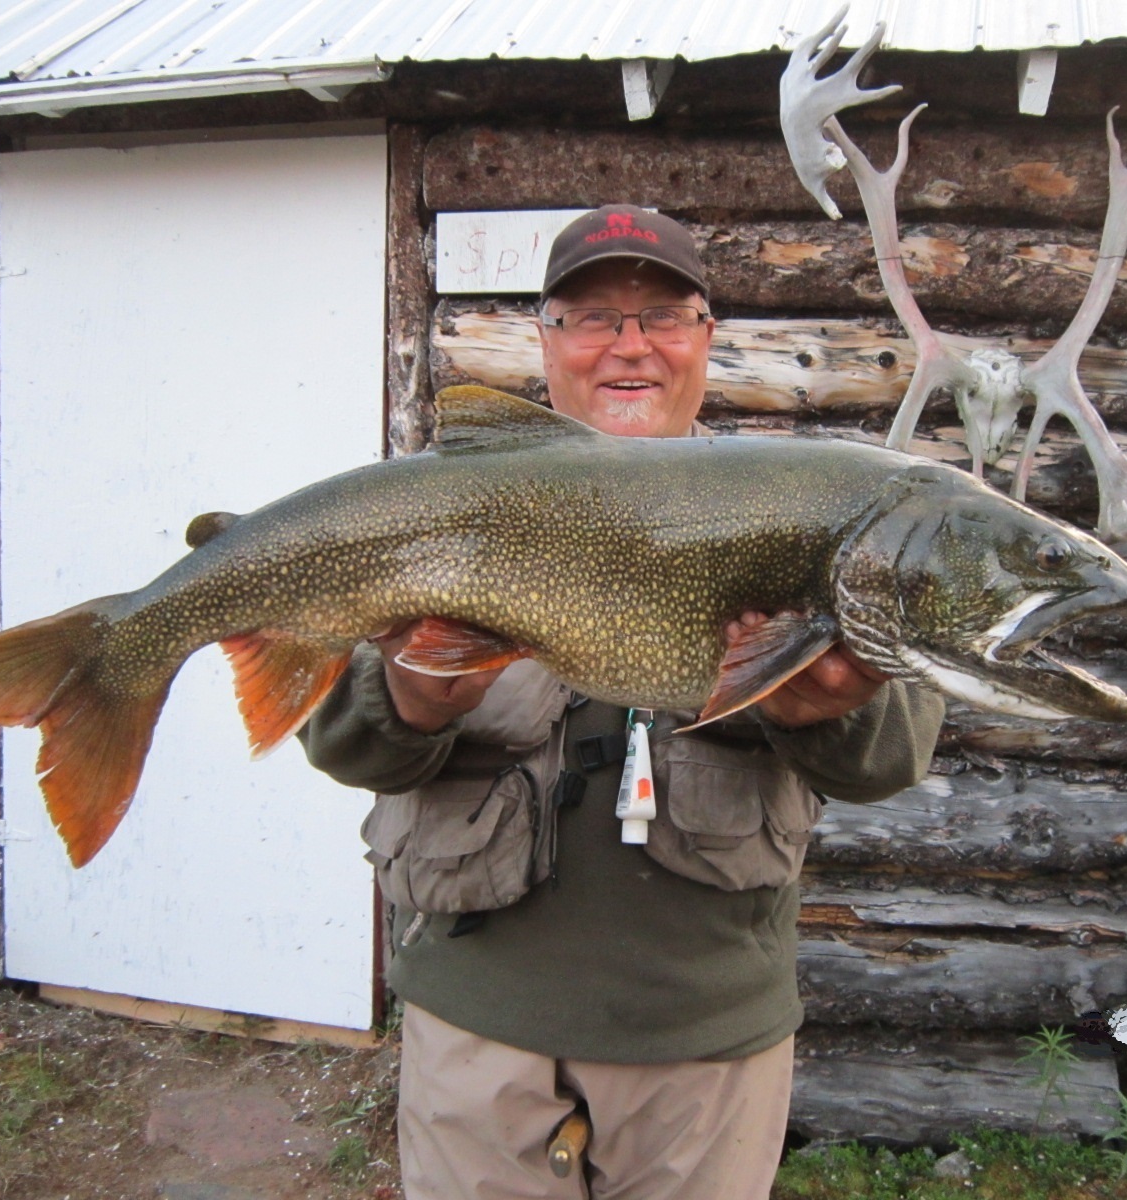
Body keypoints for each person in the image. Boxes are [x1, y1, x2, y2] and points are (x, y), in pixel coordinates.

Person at [301, 205, 944, 1199]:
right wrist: (413, 703)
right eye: (593, 317)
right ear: (546, 341)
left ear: (705, 339)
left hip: (705, 1045)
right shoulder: (439, 504)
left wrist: (819, 704)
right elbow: (343, 748)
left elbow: (890, 760)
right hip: (477, 1033)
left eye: (662, 315)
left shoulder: (799, 505)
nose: (628, 346)